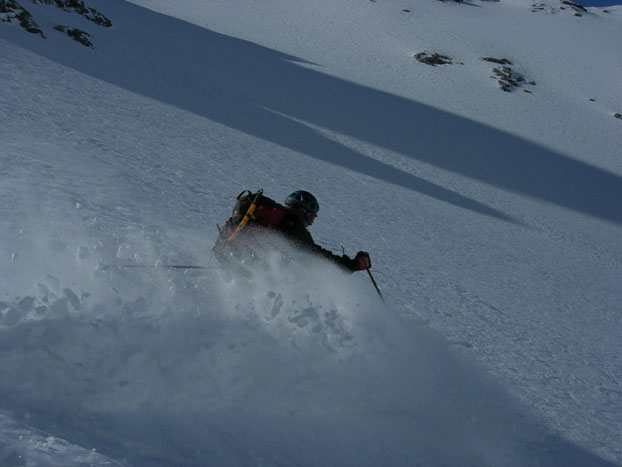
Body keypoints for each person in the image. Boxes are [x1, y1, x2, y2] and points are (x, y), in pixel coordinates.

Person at [275, 190, 371, 273]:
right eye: (311, 217)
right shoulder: (295, 225)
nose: (310, 224)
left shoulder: (278, 215)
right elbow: (318, 255)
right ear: (303, 212)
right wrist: (352, 265)